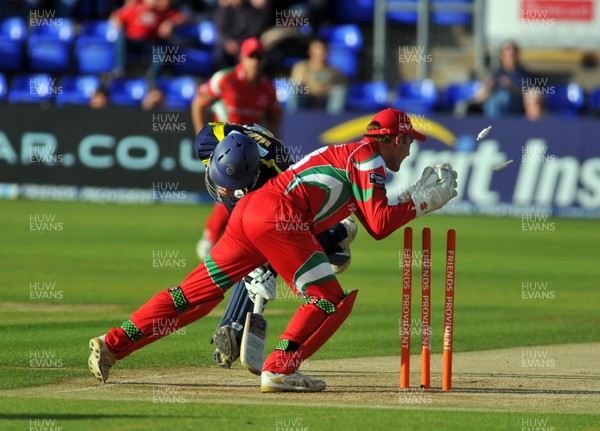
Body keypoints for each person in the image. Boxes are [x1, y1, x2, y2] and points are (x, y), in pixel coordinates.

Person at [88, 108, 458, 392]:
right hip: (279, 216)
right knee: (328, 299)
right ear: (393, 138)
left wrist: (412, 197)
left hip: (251, 211)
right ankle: (280, 368)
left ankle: (112, 344)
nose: (409, 153)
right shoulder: (368, 156)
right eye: (408, 143)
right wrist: (423, 204)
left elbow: (372, 221)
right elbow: (379, 224)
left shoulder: (354, 155)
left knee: (192, 297)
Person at [193, 122, 357, 368]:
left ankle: (338, 231)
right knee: (253, 259)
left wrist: (260, 263)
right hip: (249, 172)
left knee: (273, 249)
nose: (224, 189)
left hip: (290, 210)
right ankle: (233, 329)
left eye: (231, 184)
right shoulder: (207, 142)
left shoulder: (277, 175)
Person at [191, 37, 281, 261]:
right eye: (252, 56)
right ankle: (212, 241)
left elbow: (273, 118)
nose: (256, 62)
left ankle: (216, 243)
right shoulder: (226, 79)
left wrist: (271, 143)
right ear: (243, 57)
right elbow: (199, 102)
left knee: (241, 195)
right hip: (225, 146)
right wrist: (201, 135)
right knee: (231, 191)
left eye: (259, 57)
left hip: (250, 148)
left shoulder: (268, 89)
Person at [287, 37, 348, 115]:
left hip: (326, 100)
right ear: (310, 52)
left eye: (324, 49)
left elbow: (340, 86)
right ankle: (293, 118)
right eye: (318, 49)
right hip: (306, 99)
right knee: (295, 88)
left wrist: (326, 90)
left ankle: (333, 120)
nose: (321, 52)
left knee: (339, 90)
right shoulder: (301, 66)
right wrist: (317, 89)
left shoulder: (335, 71)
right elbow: (297, 84)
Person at [474, 41, 532, 117]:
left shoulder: (523, 75)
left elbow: (531, 96)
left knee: (505, 96)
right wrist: (488, 88)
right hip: (493, 106)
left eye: (513, 55)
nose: (511, 58)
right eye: (507, 56)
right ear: (502, 56)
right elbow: (479, 98)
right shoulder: (494, 74)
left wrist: (511, 87)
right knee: (493, 101)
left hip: (515, 108)